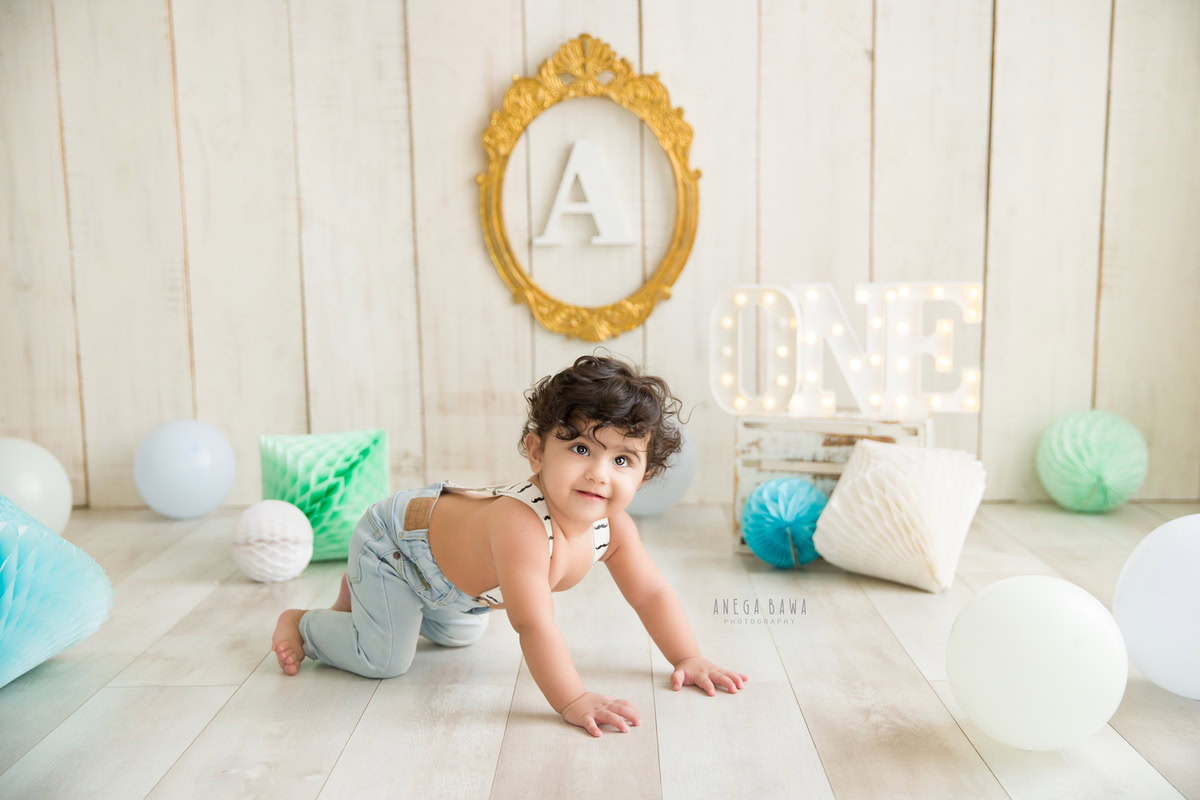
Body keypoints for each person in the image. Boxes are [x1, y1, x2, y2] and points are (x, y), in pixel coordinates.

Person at [271, 354, 747, 736]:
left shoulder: (613, 527)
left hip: (451, 587)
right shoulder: (521, 526)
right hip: (395, 545)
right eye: (581, 448)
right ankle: (307, 623)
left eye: (622, 460)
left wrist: (687, 656)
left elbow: (650, 593)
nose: (599, 474)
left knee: (461, 635)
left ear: (644, 476)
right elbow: (533, 623)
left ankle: (371, 598)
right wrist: (573, 698)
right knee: (385, 659)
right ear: (537, 452)